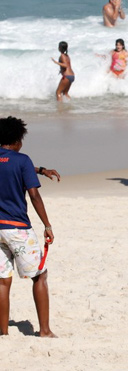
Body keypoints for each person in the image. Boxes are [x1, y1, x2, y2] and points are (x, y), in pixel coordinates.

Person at [0, 116, 56, 337]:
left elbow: (9, 165)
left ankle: (3, 332)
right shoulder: (22, 160)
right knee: (39, 276)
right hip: (18, 228)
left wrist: (41, 169)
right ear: (17, 139)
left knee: (3, 281)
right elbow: (34, 195)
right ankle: (44, 331)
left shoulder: (20, 162)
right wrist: (47, 225)